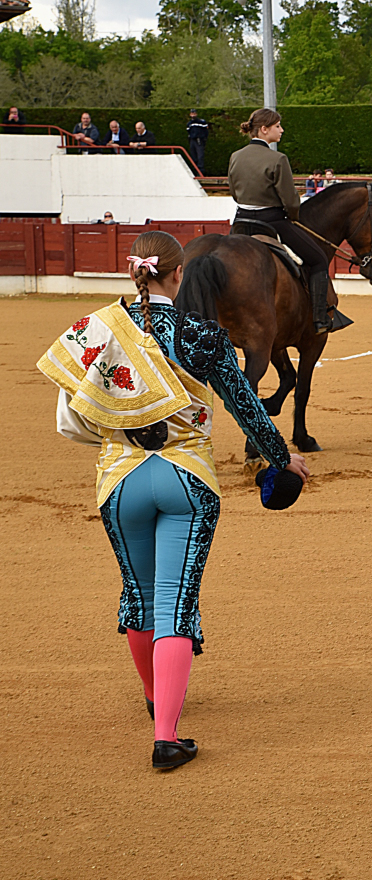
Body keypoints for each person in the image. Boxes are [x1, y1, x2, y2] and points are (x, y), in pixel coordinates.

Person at [36, 230, 309, 770]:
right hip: (187, 478)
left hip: (119, 480)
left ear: (133, 272)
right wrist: (282, 458)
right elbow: (246, 404)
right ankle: (166, 737)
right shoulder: (202, 334)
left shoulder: (98, 330)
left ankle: (156, 695)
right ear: (179, 275)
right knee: (176, 604)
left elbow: (73, 415)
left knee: (137, 596)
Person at [227, 108, 333, 333]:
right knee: (318, 260)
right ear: (264, 129)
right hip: (272, 222)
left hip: (240, 223)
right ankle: (319, 318)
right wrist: (293, 218)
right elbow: (290, 201)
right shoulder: (277, 159)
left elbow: (235, 193)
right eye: (277, 126)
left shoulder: (235, 156)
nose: (281, 130)